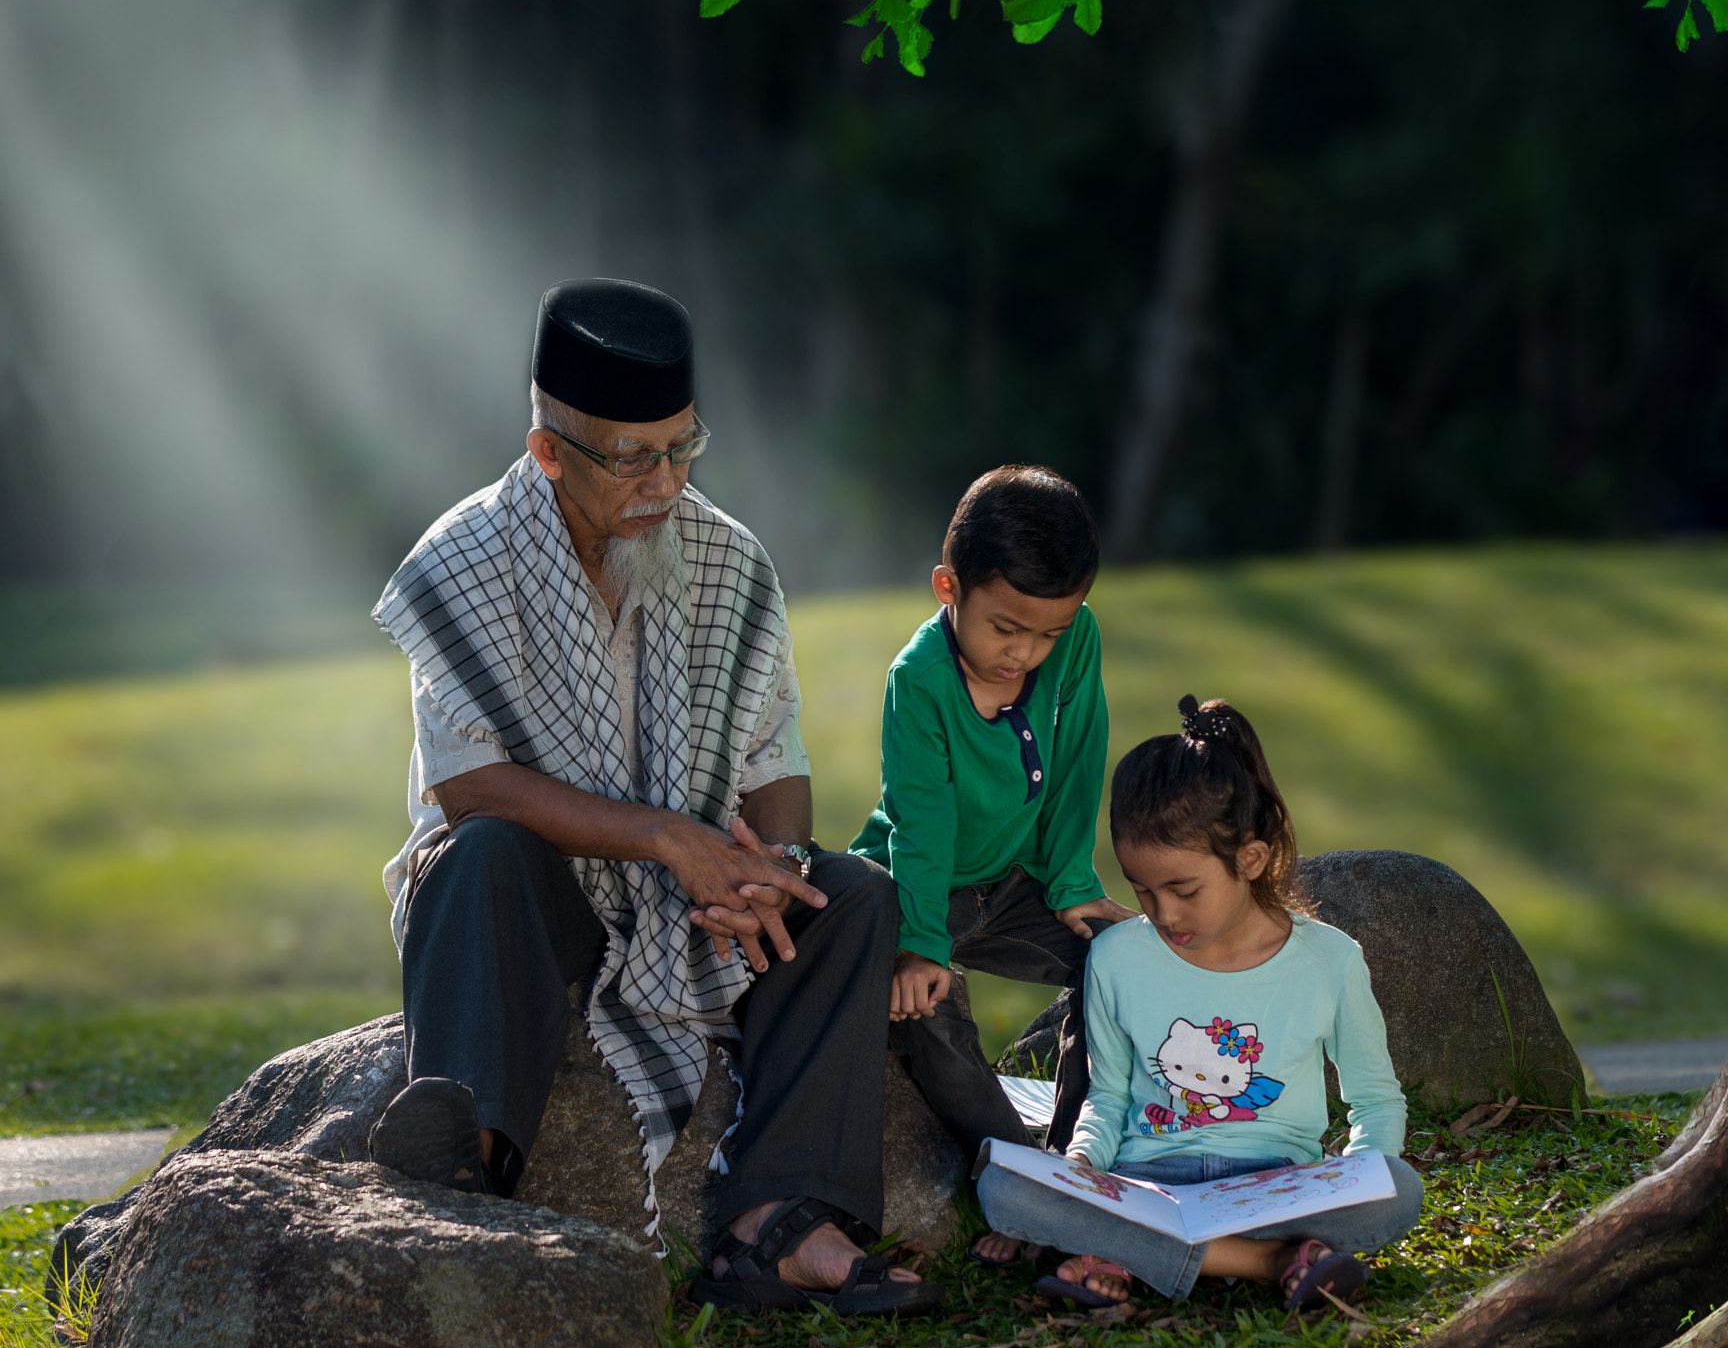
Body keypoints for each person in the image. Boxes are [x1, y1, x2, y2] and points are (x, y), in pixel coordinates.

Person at [369, 277, 941, 1317]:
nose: (665, 480)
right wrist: (666, 838)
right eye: (634, 458)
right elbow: (467, 786)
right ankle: (472, 1162)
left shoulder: (729, 558)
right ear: (548, 450)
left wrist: (766, 874)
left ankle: (774, 1223)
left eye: (683, 447)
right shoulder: (462, 562)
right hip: (533, 905)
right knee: (483, 854)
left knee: (850, 897)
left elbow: (774, 765)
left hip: (694, 911)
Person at [976, 695, 1424, 1312]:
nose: (1162, 914)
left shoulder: (1331, 961)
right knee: (1003, 1187)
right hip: (1148, 1182)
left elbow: (1375, 1100)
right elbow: (1109, 1098)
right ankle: (1268, 1262)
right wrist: (1081, 1168)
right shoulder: (1116, 958)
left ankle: (1125, 1250)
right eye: (1142, 890)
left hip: (1277, 1188)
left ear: (1251, 859)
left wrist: (1359, 1177)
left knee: (1397, 1187)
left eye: (1183, 889)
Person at [850, 467, 1134, 1159]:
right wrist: (919, 942)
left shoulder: (1075, 637)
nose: (1025, 653)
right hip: (919, 886)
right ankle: (1011, 1164)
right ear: (949, 587)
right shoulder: (918, 681)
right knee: (924, 1009)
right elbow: (920, 823)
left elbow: (1079, 755)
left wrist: (1071, 881)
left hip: (1011, 880)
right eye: (1006, 628)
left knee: (1121, 960)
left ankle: (1079, 1152)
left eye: (1048, 634)